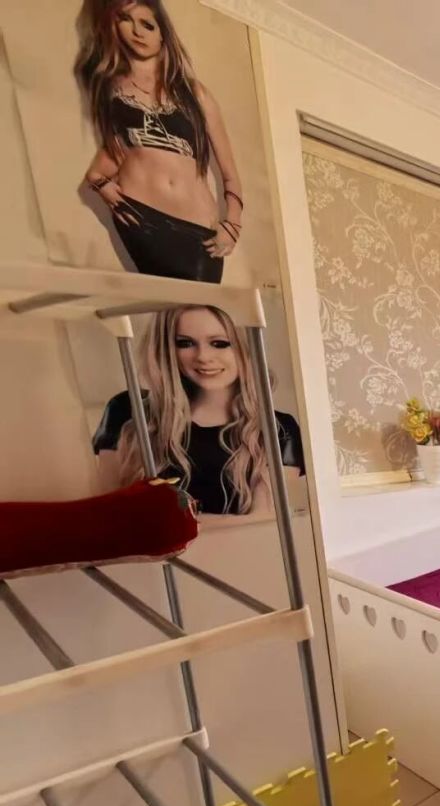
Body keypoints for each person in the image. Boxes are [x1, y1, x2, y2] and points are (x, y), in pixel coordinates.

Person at [75, 0, 243, 282]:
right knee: (166, 306)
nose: (137, 32)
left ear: (162, 34)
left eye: (147, 24)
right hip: (141, 219)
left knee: (202, 308)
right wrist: (100, 184)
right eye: (126, 20)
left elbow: (230, 174)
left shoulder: (195, 93)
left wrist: (233, 224)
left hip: (200, 228)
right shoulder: (111, 90)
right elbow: (114, 157)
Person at [92, 305, 303, 516]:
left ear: (246, 347)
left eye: (219, 343)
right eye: (185, 343)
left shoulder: (279, 429)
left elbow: (264, 521)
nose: (203, 356)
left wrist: (176, 525)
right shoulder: (128, 409)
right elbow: (107, 513)